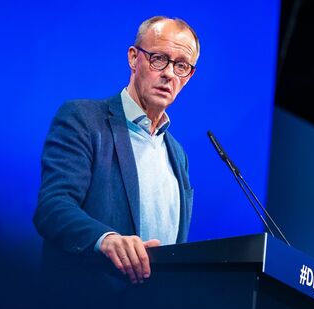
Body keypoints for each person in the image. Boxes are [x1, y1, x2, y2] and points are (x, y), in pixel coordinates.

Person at [33, 16, 198, 290]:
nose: (169, 73)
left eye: (181, 65)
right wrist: (106, 240)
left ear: (188, 76)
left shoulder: (178, 155)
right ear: (133, 58)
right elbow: (53, 207)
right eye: (159, 59)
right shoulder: (83, 120)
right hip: (87, 302)